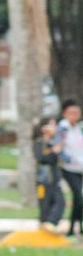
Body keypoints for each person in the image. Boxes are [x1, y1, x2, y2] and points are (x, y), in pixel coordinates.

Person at [56, 99, 83, 240]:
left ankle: (80, 228)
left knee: (80, 199)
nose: (74, 116)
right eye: (71, 113)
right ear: (65, 114)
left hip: (80, 169)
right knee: (78, 198)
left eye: (77, 113)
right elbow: (58, 149)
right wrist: (70, 159)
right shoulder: (63, 128)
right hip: (69, 169)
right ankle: (72, 230)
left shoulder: (78, 128)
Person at [34, 118, 65, 235]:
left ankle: (51, 224)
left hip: (55, 180)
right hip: (43, 181)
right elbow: (41, 158)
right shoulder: (39, 143)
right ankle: (43, 231)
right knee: (45, 205)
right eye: (52, 126)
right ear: (44, 129)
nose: (55, 129)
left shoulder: (53, 143)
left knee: (60, 202)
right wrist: (53, 151)